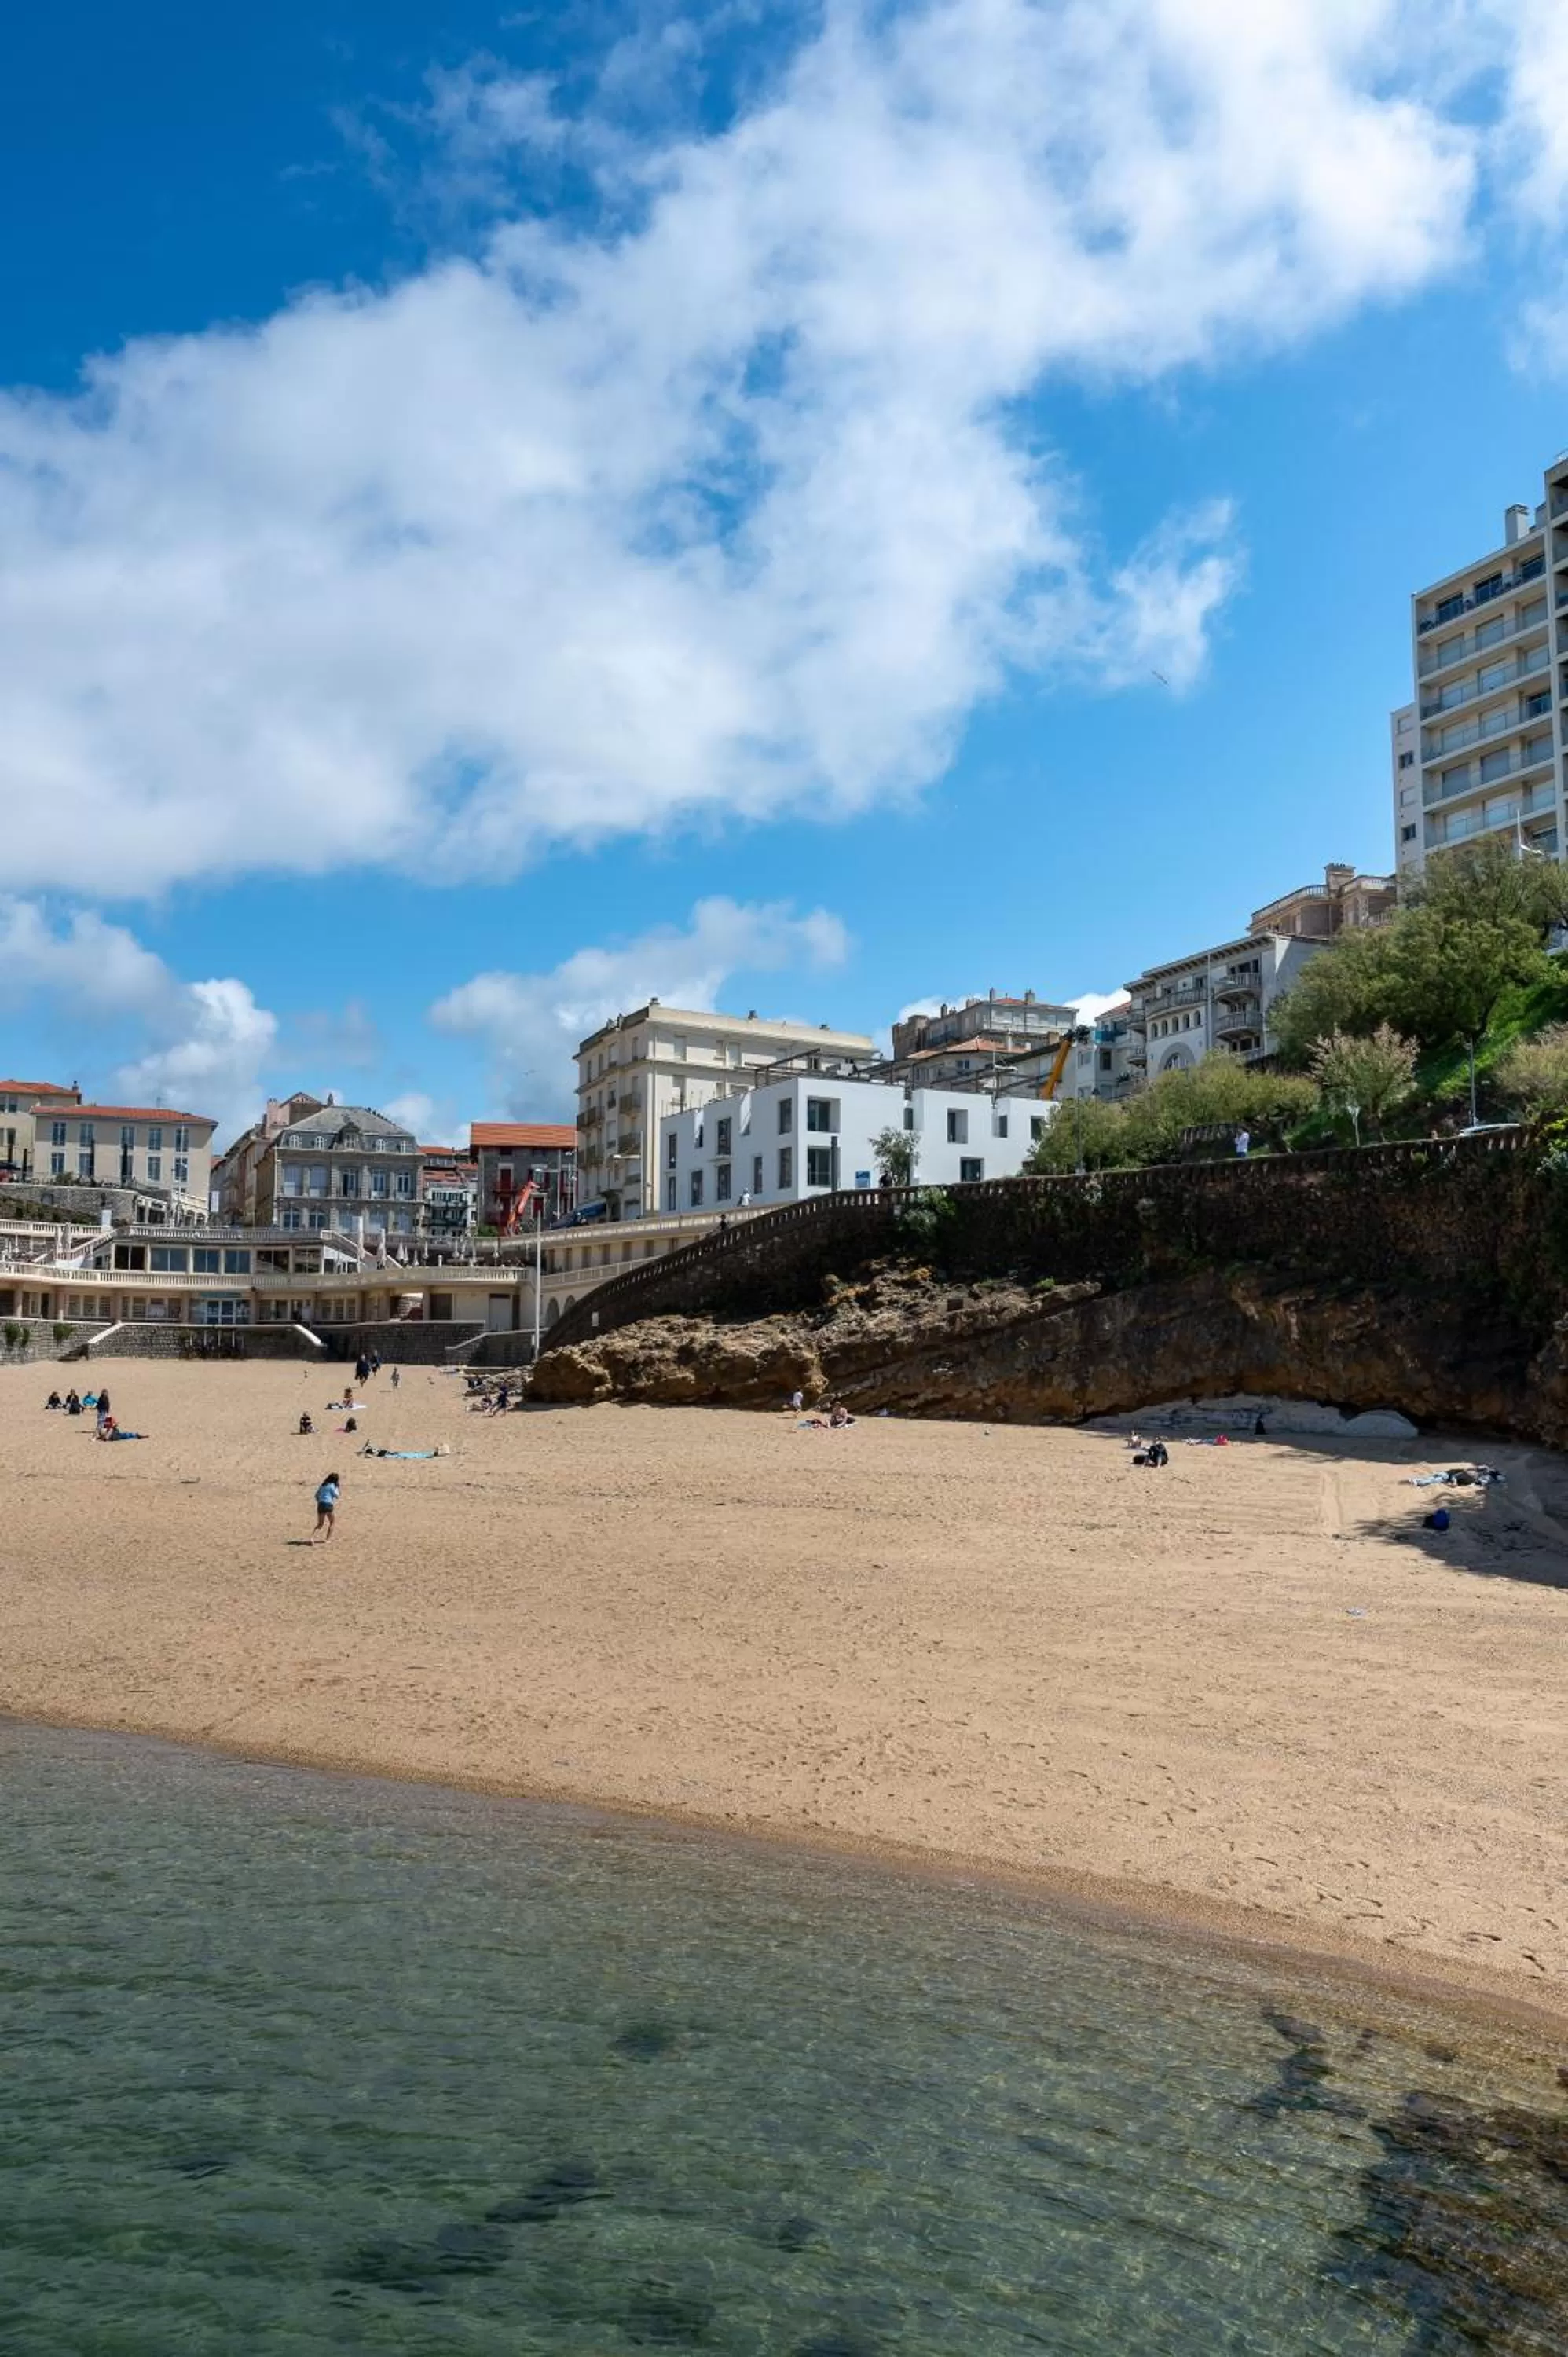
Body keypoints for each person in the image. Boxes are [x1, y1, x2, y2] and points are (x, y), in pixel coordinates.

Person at [311, 1471, 341, 1543]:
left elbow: (316, 1496)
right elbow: (337, 1496)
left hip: (321, 1504)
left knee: (320, 1524)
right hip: (328, 1504)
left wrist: (320, 1501)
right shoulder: (332, 1486)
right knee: (332, 1522)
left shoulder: (323, 1485)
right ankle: (327, 1539)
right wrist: (337, 1488)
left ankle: (312, 1537)